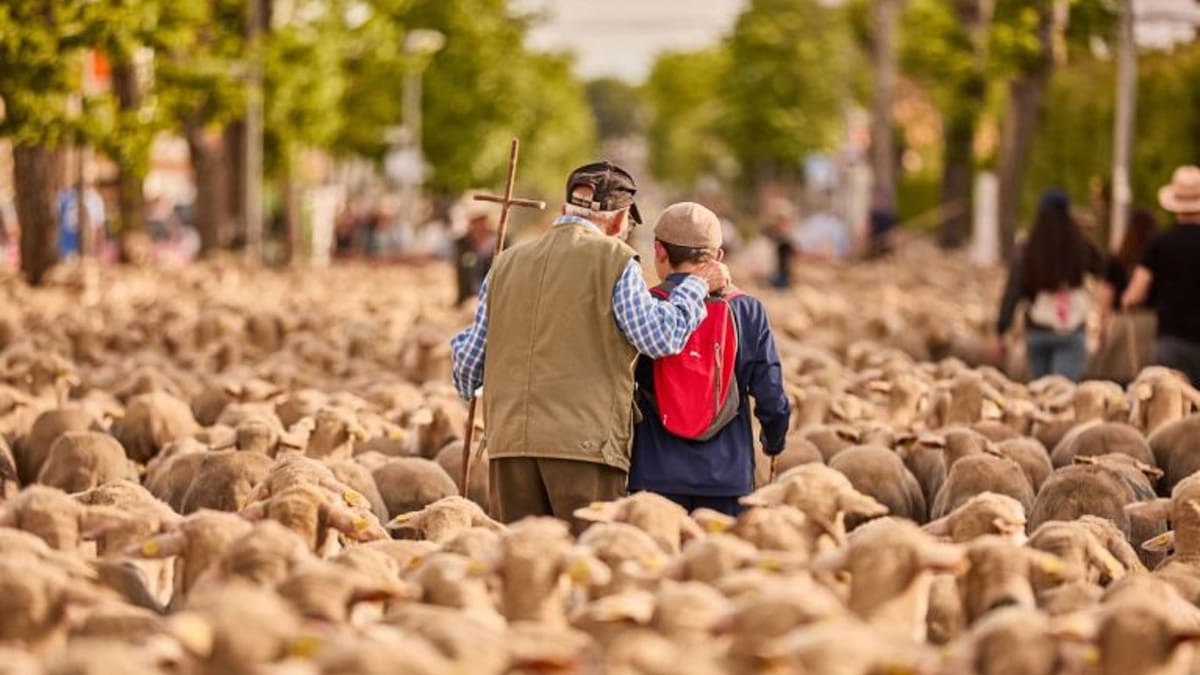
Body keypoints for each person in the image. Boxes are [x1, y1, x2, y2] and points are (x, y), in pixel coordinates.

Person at [449, 161, 730, 532]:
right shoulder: (614, 260)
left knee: (520, 568)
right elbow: (658, 337)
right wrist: (695, 285)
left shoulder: (505, 263)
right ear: (620, 219)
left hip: (509, 448)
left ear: (567, 207)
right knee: (588, 562)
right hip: (584, 448)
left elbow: (467, 370)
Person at [628, 202, 791, 516]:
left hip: (655, 475)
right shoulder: (746, 310)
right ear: (718, 256)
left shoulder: (646, 309)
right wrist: (774, 441)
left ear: (658, 250)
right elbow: (771, 393)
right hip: (727, 476)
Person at [995, 190, 1103, 381]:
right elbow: (1102, 269)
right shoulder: (1079, 246)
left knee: (1041, 392)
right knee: (1063, 393)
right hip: (1071, 328)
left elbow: (1013, 291)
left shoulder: (1028, 249)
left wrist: (1002, 329)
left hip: (1038, 329)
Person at [1122, 165, 1200, 385]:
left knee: (1170, 410)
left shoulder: (1159, 242)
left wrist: (1129, 300)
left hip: (1172, 341)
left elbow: (1136, 292)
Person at [452, 193, 499, 307]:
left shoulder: (503, 242)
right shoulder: (462, 243)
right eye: (474, 220)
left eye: (480, 219)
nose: (478, 224)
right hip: (468, 303)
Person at [56, 182, 107, 259]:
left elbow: (99, 225)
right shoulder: (64, 197)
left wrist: (100, 247)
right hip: (67, 249)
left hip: (87, 248)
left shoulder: (94, 198)